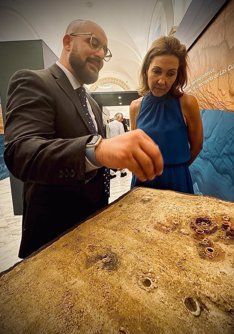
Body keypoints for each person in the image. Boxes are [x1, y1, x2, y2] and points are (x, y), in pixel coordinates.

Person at [4, 19, 163, 258]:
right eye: (94, 42)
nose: (100, 54)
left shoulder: (92, 103)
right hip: (53, 239)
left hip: (94, 229)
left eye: (105, 51)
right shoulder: (34, 81)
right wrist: (97, 149)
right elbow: (21, 153)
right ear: (68, 41)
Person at [129, 35, 203, 193]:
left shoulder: (187, 103)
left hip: (177, 180)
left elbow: (197, 146)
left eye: (170, 73)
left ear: (178, 75)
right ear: (146, 70)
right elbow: (135, 147)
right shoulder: (135, 106)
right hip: (143, 181)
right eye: (157, 71)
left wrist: (177, 169)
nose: (162, 81)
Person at [108, 112, 127, 178]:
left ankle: (112, 172)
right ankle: (122, 172)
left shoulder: (109, 124)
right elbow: (122, 135)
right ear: (118, 117)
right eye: (121, 118)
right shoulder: (120, 124)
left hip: (110, 144)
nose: (122, 120)